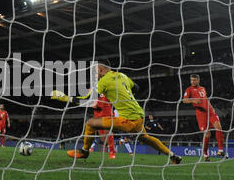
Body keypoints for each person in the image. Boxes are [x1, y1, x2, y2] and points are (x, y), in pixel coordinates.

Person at [53, 60, 182, 164]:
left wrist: (64, 97)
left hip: (128, 119)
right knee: (146, 138)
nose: (95, 73)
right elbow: (136, 87)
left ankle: (84, 151)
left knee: (90, 123)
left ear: (100, 68)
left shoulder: (104, 81)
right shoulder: (122, 75)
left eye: (95, 70)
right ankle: (173, 155)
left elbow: (88, 101)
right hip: (138, 116)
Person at [183, 74, 227, 161]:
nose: (193, 82)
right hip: (201, 114)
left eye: (194, 80)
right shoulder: (189, 89)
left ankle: (220, 150)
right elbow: (184, 100)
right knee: (207, 134)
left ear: (198, 80)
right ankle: (205, 154)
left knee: (219, 128)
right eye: (191, 80)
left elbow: (205, 99)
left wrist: (212, 108)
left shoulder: (203, 88)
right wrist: (193, 100)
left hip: (210, 112)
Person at [91, 93, 116, 159]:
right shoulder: (93, 91)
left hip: (108, 114)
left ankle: (112, 152)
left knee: (108, 132)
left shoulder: (107, 89)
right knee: (103, 138)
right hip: (98, 115)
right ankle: (110, 147)